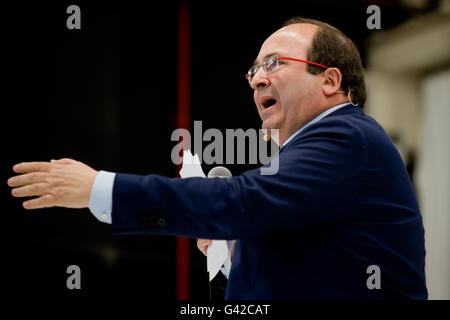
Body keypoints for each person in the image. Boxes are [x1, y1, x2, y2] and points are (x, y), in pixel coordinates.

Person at [7, 17, 428, 299]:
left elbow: (241, 203)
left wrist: (101, 189)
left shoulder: (347, 136)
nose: (258, 78)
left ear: (330, 80)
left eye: (275, 63)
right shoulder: (320, 152)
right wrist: (235, 246)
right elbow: (307, 253)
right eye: (254, 71)